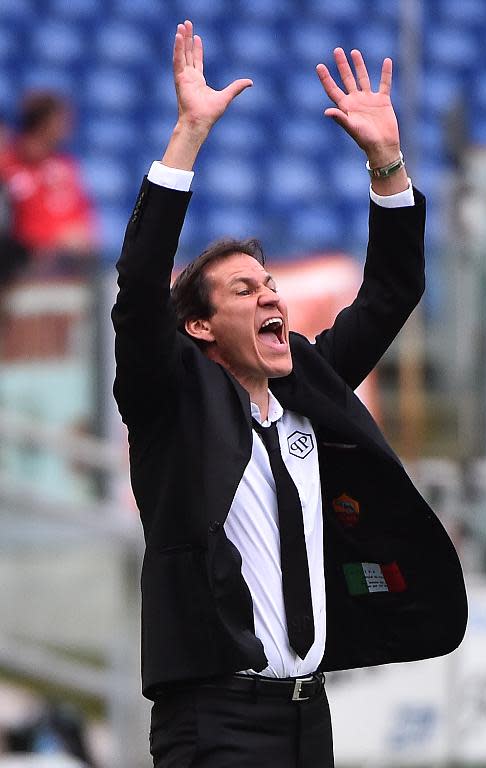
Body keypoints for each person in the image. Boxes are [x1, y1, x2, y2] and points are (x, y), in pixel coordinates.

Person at [112, 20, 467, 768]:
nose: (270, 295)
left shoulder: (307, 382)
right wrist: (187, 137)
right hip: (214, 718)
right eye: (245, 289)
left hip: (309, 717)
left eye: (270, 283)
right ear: (201, 326)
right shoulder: (171, 402)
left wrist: (386, 163)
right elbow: (141, 287)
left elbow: (392, 290)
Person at [0, 91, 97, 276]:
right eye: (61, 121)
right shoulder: (7, 166)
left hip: (68, 257)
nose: (68, 127)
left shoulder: (65, 167)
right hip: (22, 258)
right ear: (45, 124)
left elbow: (82, 216)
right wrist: (55, 238)